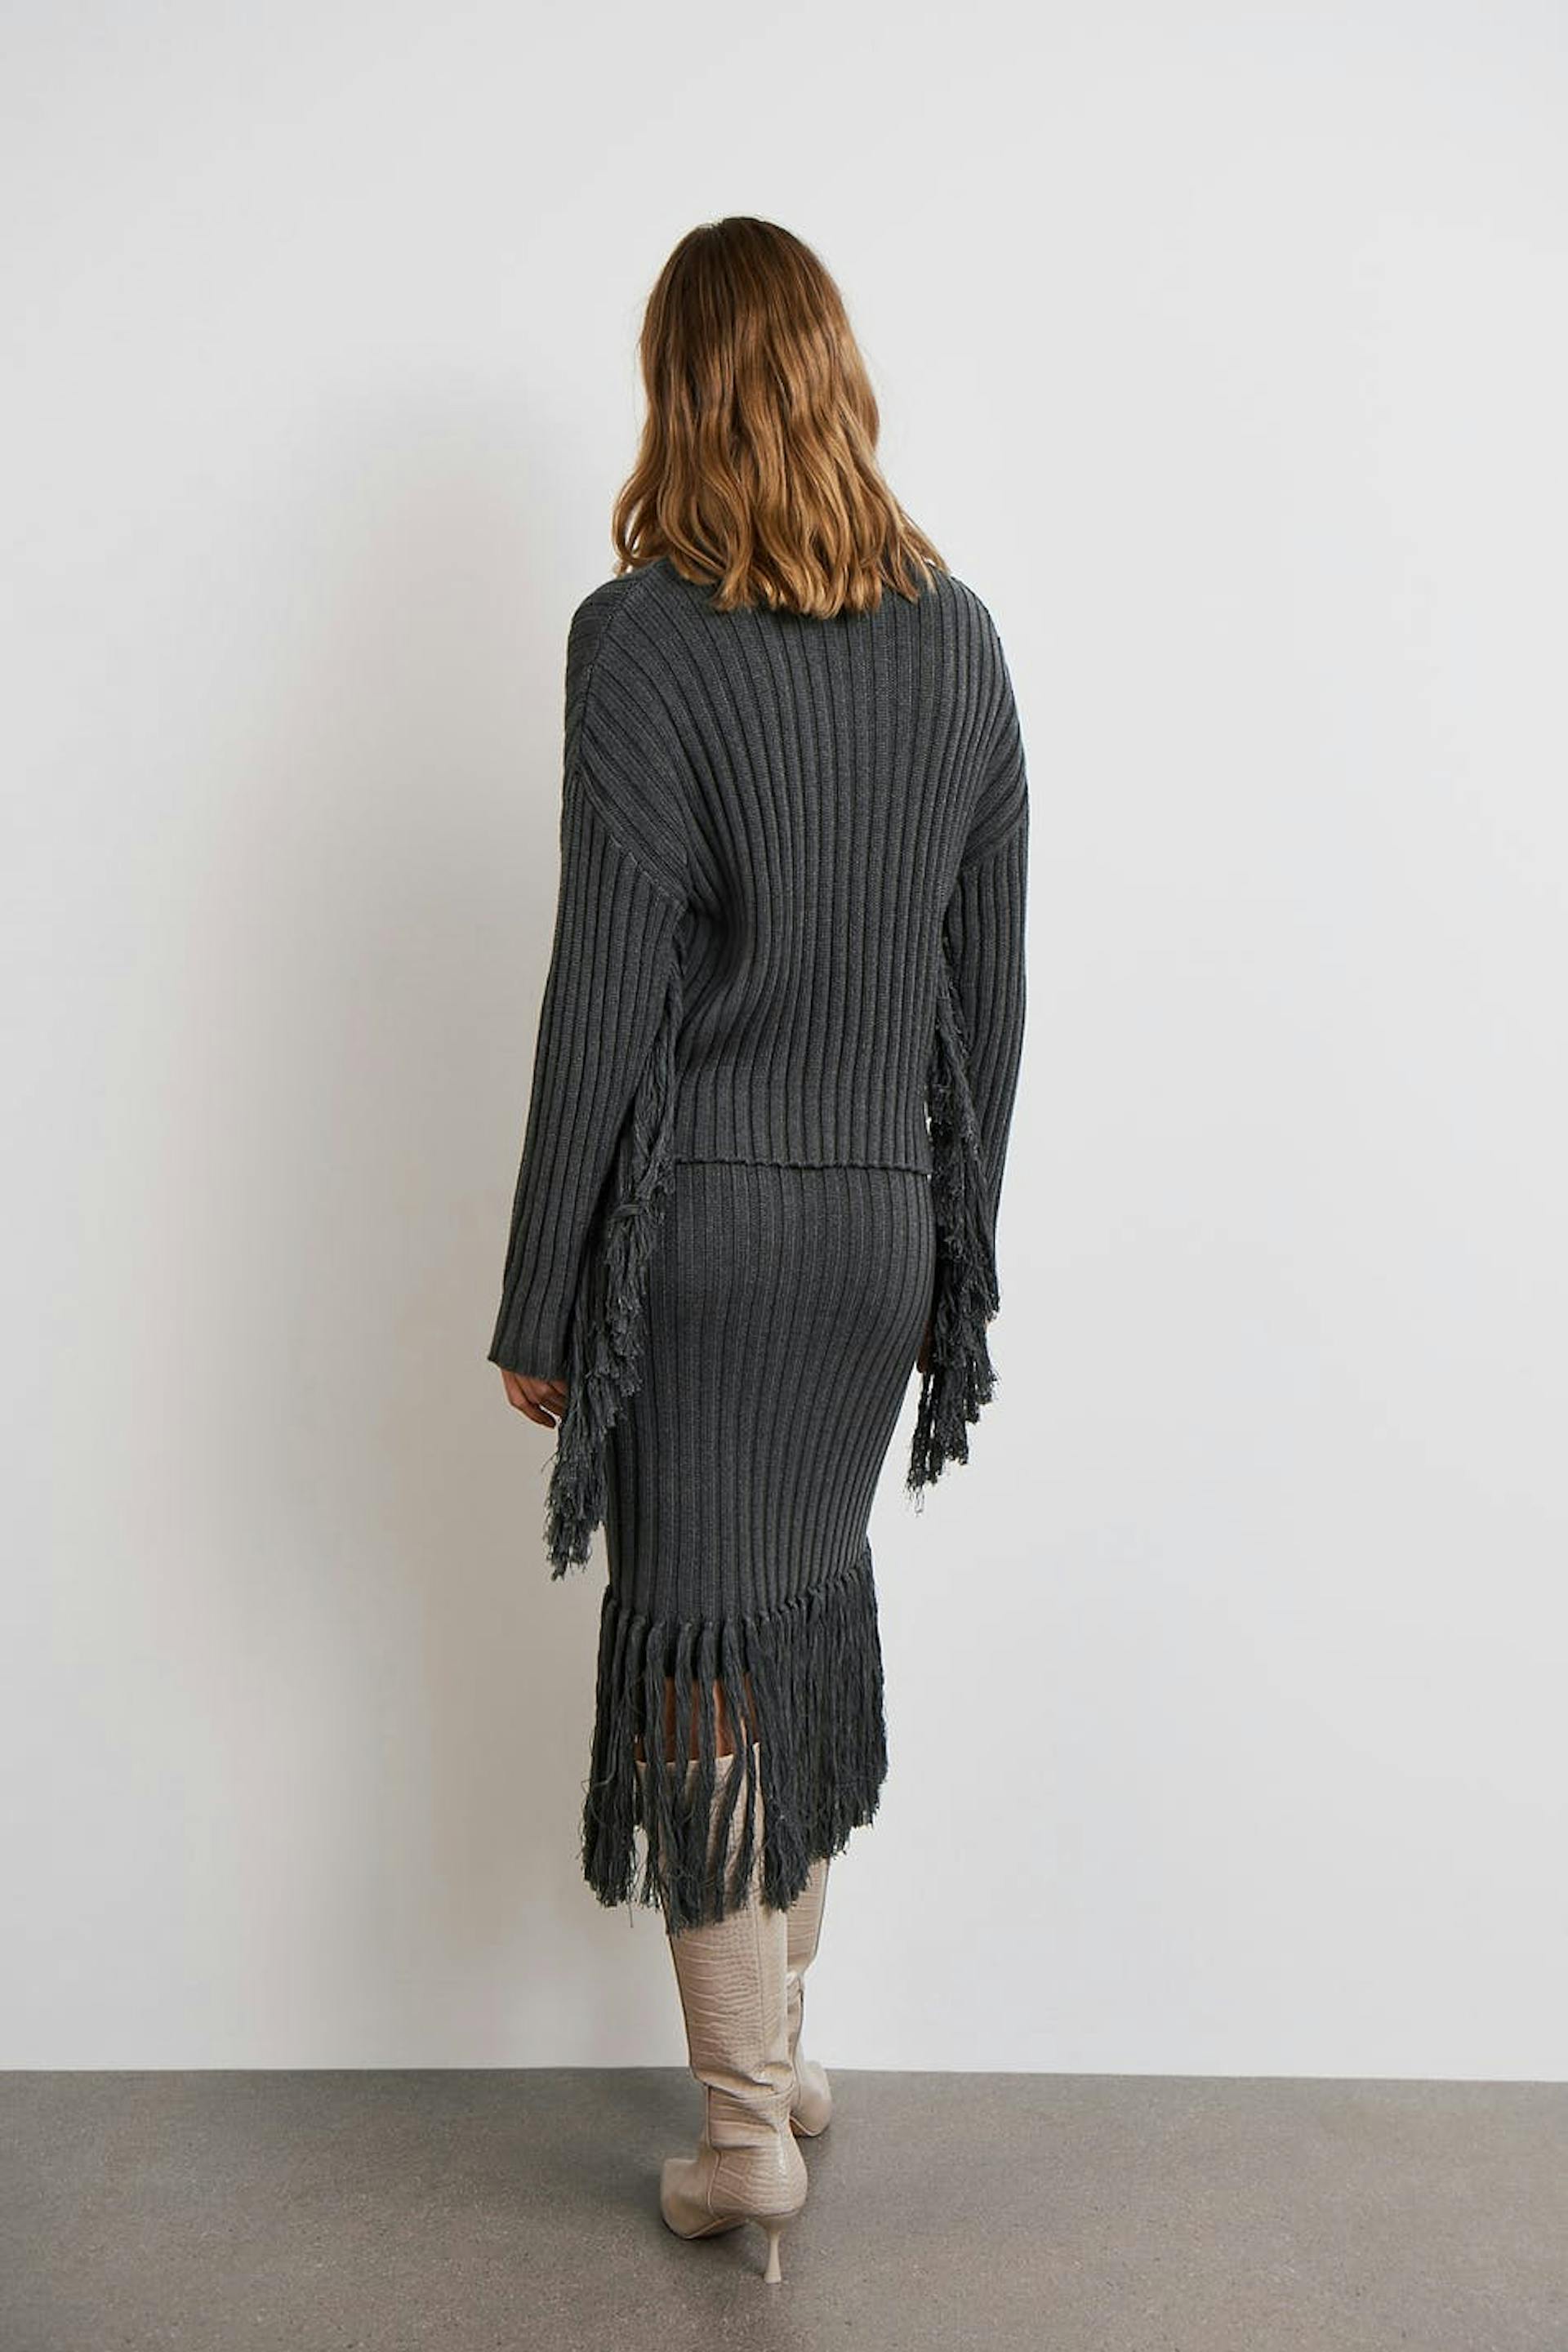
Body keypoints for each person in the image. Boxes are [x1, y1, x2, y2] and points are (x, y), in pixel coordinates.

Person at [486, 216, 1029, 2283]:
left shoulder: (639, 640)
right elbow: (991, 999)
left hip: (700, 1243)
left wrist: (544, 1293)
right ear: (836, 380)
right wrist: (956, 1258)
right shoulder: (959, 640)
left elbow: (601, 994)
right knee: (792, 1615)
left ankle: (739, 2134)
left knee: (705, 1666)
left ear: (681, 391)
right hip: (877, 1233)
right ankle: (779, 2060)